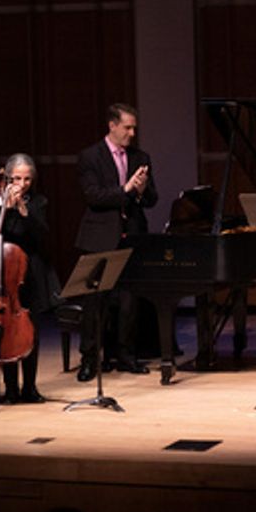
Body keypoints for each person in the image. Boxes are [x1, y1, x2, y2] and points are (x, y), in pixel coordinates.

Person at [73, 103, 159, 381]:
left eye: (134, 127)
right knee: (94, 301)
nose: (132, 133)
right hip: (99, 237)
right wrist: (126, 189)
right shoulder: (90, 156)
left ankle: (126, 356)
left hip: (131, 235)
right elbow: (94, 196)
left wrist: (142, 191)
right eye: (127, 127)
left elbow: (152, 200)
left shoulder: (140, 156)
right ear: (112, 125)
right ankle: (89, 359)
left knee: (129, 301)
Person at [0, 153, 60, 403]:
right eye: (16, 178)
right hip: (3, 274)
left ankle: (30, 388)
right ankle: (10, 388)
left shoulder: (38, 201)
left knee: (30, 331)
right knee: (6, 331)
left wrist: (24, 210)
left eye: (27, 179)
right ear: (7, 177)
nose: (22, 184)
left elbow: (41, 234)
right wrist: (3, 206)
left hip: (31, 273)